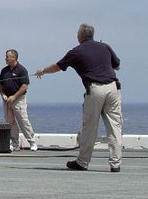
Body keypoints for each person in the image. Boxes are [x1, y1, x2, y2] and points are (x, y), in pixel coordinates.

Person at [35, 23, 122, 172]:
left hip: (95, 89)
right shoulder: (105, 47)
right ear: (92, 35)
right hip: (113, 87)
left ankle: (82, 162)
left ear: (80, 36)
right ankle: (115, 164)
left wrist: (42, 71)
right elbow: (117, 65)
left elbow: (57, 66)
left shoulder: (76, 52)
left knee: (90, 127)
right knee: (115, 127)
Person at [0, 49, 38, 151]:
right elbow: (0, 85)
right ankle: (14, 143)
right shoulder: (4, 71)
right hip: (7, 101)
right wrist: (3, 95)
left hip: (18, 99)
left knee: (23, 120)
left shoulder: (22, 70)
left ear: (14, 58)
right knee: (10, 122)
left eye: (7, 56)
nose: (5, 58)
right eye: (6, 56)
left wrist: (14, 96)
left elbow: (25, 86)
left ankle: (32, 142)